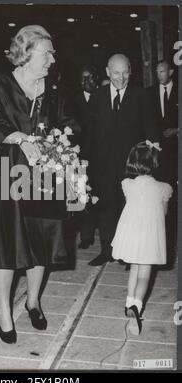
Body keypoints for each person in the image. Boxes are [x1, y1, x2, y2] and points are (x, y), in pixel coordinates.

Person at [0, 25, 81, 343]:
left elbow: (71, 125)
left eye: (52, 52)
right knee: (6, 241)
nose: (52, 58)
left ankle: (33, 301)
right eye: (47, 52)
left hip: (44, 175)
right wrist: (18, 137)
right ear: (28, 53)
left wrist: (52, 141)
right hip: (6, 175)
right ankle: (4, 310)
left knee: (42, 239)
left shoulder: (55, 90)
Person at [88, 53, 159, 266]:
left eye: (125, 72)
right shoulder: (97, 96)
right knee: (106, 207)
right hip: (103, 164)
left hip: (133, 165)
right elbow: (91, 133)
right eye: (116, 73)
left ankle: (129, 254)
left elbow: (152, 129)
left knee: (131, 209)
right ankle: (106, 251)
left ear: (131, 71)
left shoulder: (141, 95)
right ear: (108, 72)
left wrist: (150, 162)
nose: (121, 77)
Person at [111, 140, 172, 334]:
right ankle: (137, 305)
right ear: (155, 163)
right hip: (149, 237)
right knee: (145, 274)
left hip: (132, 234)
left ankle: (128, 301)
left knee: (134, 270)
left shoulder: (126, 184)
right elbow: (164, 212)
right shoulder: (165, 188)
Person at [147, 60, 178, 264]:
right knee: (159, 198)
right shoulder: (149, 93)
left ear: (171, 71)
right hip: (158, 155)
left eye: (163, 71)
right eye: (157, 71)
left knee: (172, 198)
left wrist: (177, 130)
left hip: (176, 150)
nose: (159, 75)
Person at [74, 65, 99, 249]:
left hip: (100, 155)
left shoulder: (103, 96)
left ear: (96, 78)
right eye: (83, 78)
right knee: (82, 194)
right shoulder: (73, 100)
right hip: (81, 155)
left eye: (89, 77)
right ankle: (86, 236)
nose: (86, 81)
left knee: (99, 193)